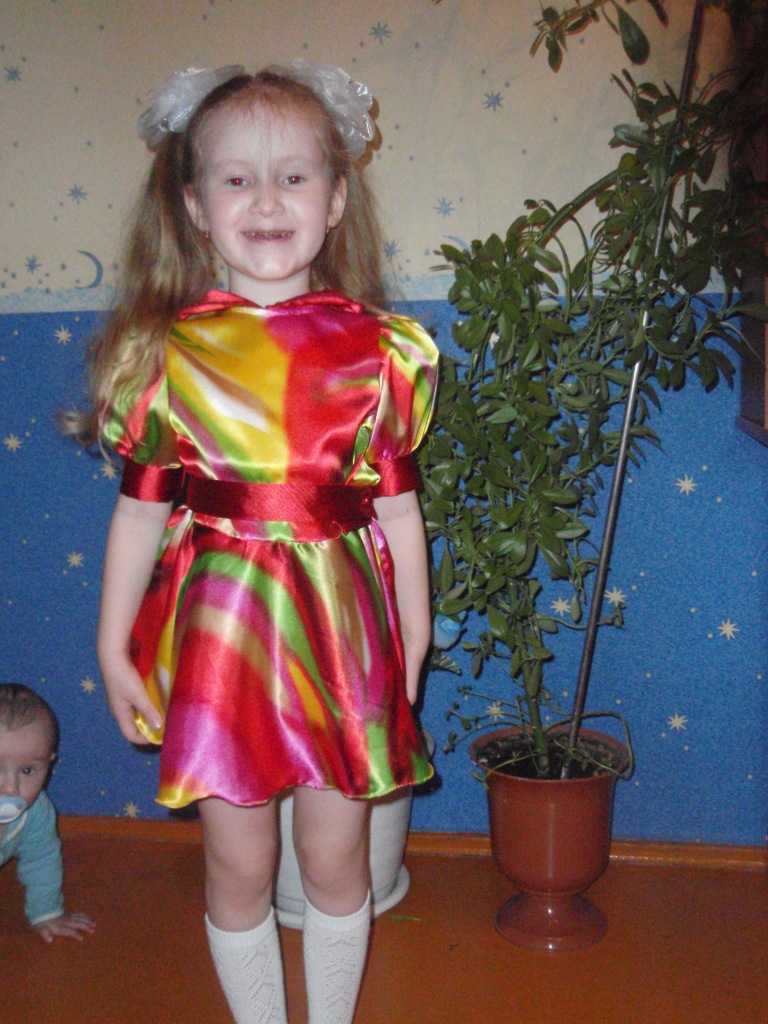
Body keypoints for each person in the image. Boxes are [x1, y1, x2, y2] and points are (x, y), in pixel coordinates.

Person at [75, 60, 438, 1024]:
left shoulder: (381, 353)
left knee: (336, 858)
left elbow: (399, 513)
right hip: (223, 647)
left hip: (343, 638)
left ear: (336, 197)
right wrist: (113, 648)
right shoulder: (164, 355)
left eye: (293, 176)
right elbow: (139, 513)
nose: (267, 200)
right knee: (238, 866)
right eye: (237, 178)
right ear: (196, 207)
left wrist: (415, 636)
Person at [0, 683, 96, 943]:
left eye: (27, 771)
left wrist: (46, 912)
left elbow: (41, 861)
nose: (10, 788)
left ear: (49, 764)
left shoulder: (37, 813)